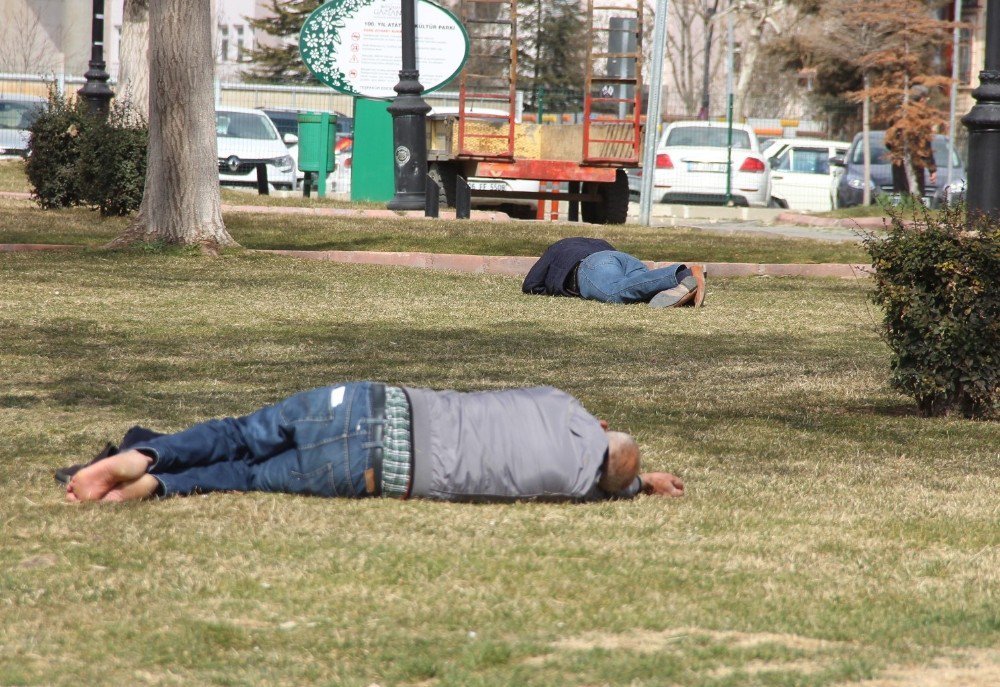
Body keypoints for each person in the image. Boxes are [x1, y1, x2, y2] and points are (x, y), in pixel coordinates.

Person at [62, 382, 685, 504]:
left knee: (241, 435)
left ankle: (140, 456)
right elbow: (609, 475)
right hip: (379, 471)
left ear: (599, 427)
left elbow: (605, 449)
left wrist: (629, 465)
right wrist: (636, 484)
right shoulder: (571, 486)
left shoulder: (557, 402)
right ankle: (150, 487)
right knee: (245, 475)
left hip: (375, 404)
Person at [521, 237, 705, 308]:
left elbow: (531, 284)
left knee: (613, 292)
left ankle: (683, 274)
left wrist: (556, 290)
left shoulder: (557, 247)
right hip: (622, 258)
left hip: (591, 265)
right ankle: (679, 288)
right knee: (636, 288)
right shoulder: (598, 241)